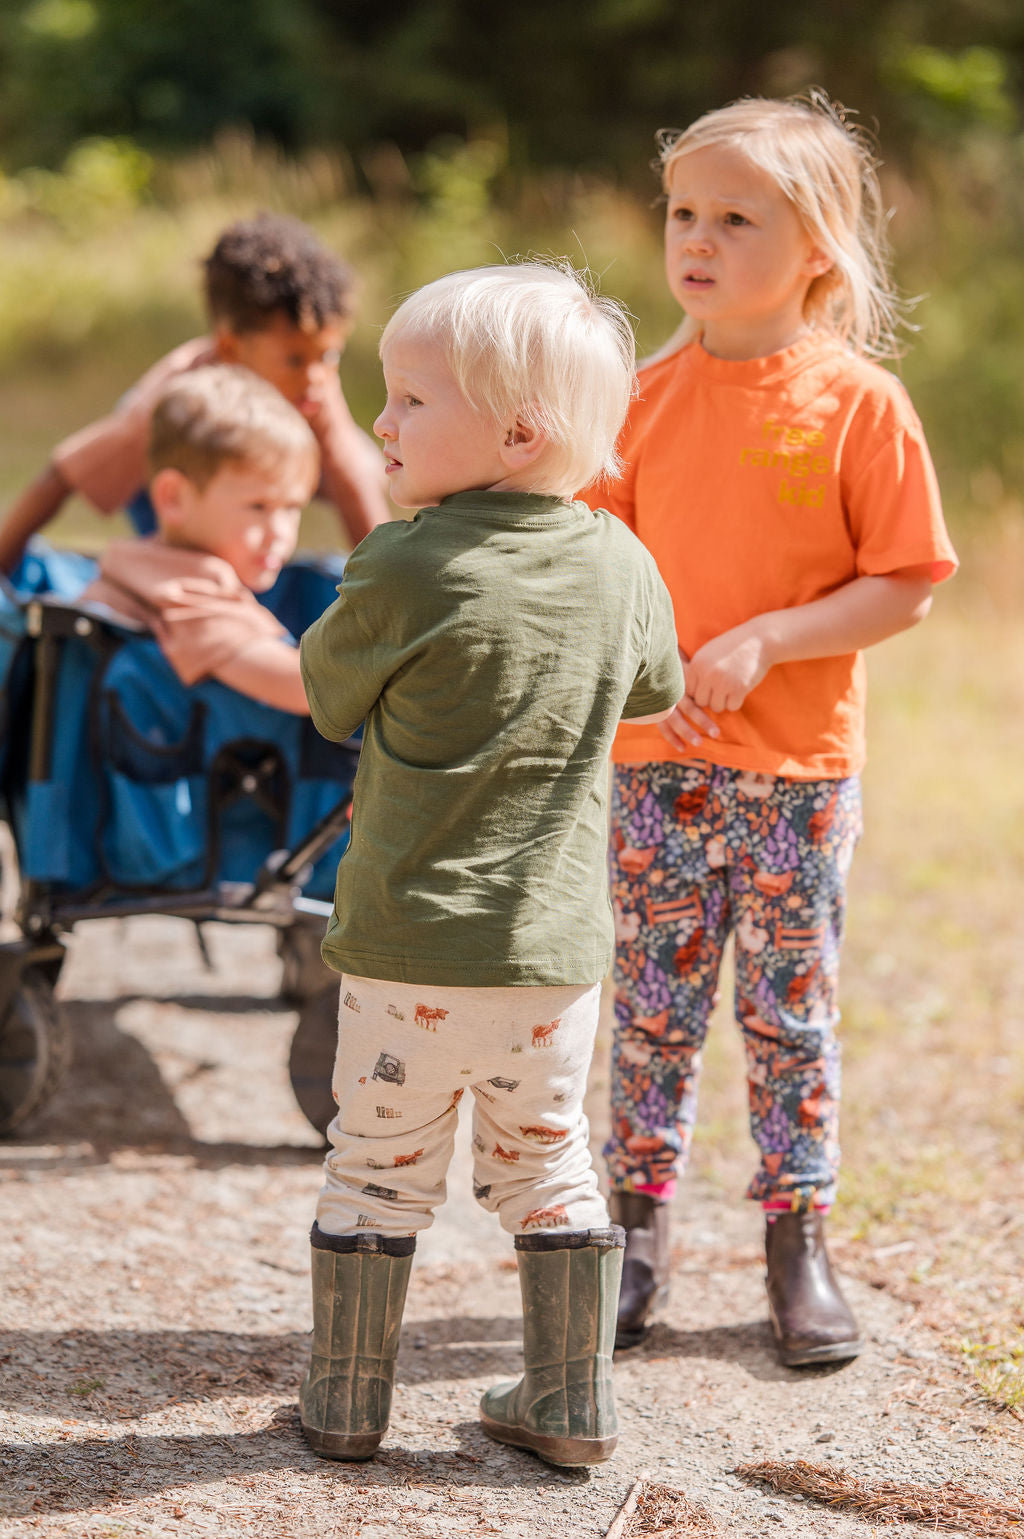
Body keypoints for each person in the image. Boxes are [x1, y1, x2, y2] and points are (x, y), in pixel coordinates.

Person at [580, 94, 958, 1366]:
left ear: (816, 249)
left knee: (788, 1017)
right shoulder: (633, 403)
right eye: (682, 212)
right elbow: (601, 573)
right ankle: (635, 1233)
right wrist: (647, 677)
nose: (696, 238)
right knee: (651, 1008)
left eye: (735, 219)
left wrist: (767, 640)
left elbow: (903, 581)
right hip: (657, 766)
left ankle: (799, 1245)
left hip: (796, 774)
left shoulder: (858, 404)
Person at [296, 262, 685, 1467]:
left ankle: (347, 1403)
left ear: (518, 432)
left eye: (412, 400)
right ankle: (569, 1403)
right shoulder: (621, 561)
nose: (382, 422)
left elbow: (326, 697)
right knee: (549, 1165)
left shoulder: (401, 562)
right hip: (548, 964)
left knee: (375, 1169)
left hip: (405, 949)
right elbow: (655, 688)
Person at [0, 212, 387, 574]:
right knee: (202, 563)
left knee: (375, 467)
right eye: (295, 360)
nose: (318, 377)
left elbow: (351, 480)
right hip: (170, 468)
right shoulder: (176, 402)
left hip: (265, 457)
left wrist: (392, 586)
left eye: (329, 355)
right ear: (231, 349)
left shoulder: (312, 385)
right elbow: (61, 475)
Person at [80, 365, 318, 714]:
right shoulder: (188, 595)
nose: (280, 532)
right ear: (174, 498)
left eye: (292, 507)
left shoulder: (138, 565)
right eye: (258, 506)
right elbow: (310, 692)